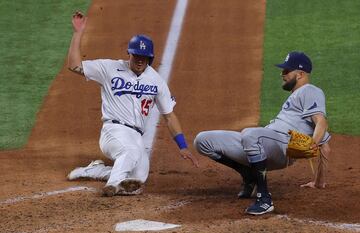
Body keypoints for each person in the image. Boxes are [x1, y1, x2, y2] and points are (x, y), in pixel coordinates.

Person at [66, 11, 199, 197]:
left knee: (138, 178)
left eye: (143, 57)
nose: (139, 60)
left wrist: (183, 146)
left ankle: (94, 171)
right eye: (136, 55)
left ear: (150, 58)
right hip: (113, 131)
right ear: (129, 54)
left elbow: (169, 115)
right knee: (129, 152)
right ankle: (112, 185)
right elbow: (74, 65)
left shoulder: (156, 81)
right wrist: (77, 33)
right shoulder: (109, 68)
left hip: (137, 137)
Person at [194, 51, 331, 215]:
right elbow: (327, 148)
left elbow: (321, 121)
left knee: (250, 134)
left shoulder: (309, 90)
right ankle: (248, 174)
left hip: (281, 147)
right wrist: (319, 182)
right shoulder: (294, 97)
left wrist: (312, 143)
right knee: (202, 140)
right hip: (263, 144)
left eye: (287, 71)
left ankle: (265, 199)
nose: (282, 74)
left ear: (300, 74)